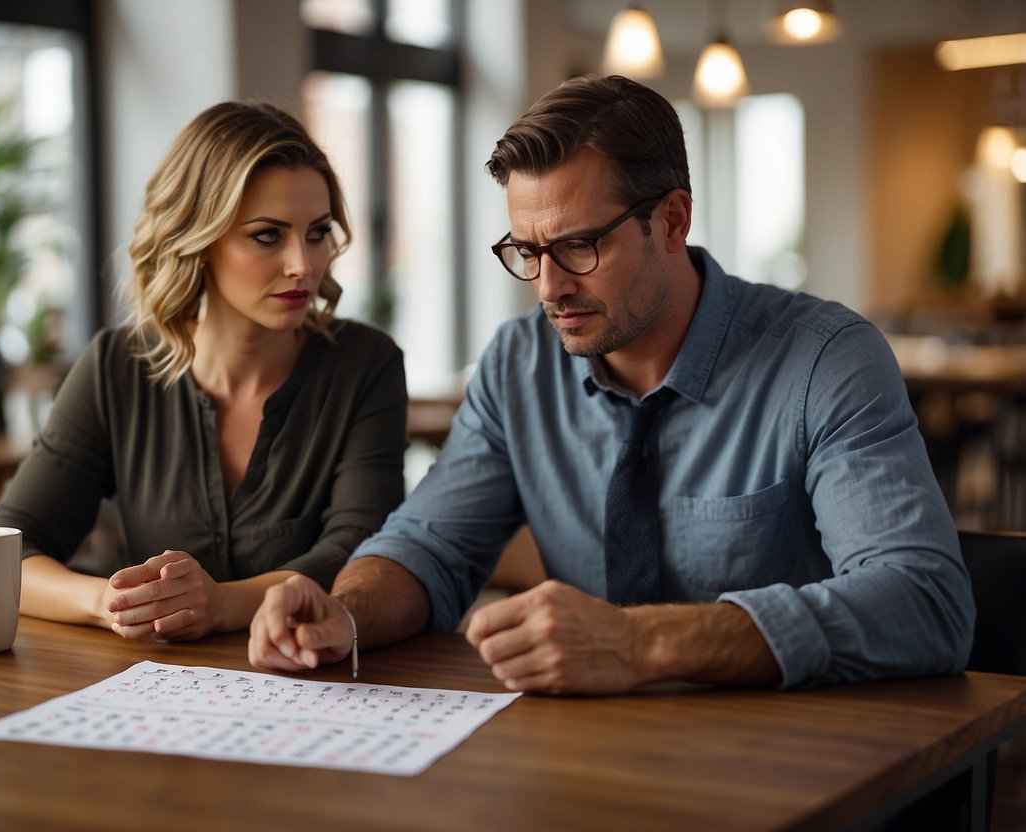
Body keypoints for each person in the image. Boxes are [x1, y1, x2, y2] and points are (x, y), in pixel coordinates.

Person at [247, 75, 975, 694]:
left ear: (672, 219)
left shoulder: (825, 361)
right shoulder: (518, 364)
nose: (548, 287)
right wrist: (344, 614)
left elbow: (924, 602)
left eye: (577, 246)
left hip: (795, 757)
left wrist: (639, 643)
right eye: (526, 251)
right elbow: (428, 546)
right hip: (592, 762)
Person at [0, 101, 408, 641]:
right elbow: (6, 548)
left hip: (318, 686)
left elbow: (360, 555)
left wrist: (220, 605)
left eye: (316, 232)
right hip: (151, 693)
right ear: (199, 239)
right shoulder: (117, 366)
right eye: (267, 235)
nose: (302, 265)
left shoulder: (365, 364)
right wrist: (113, 602)